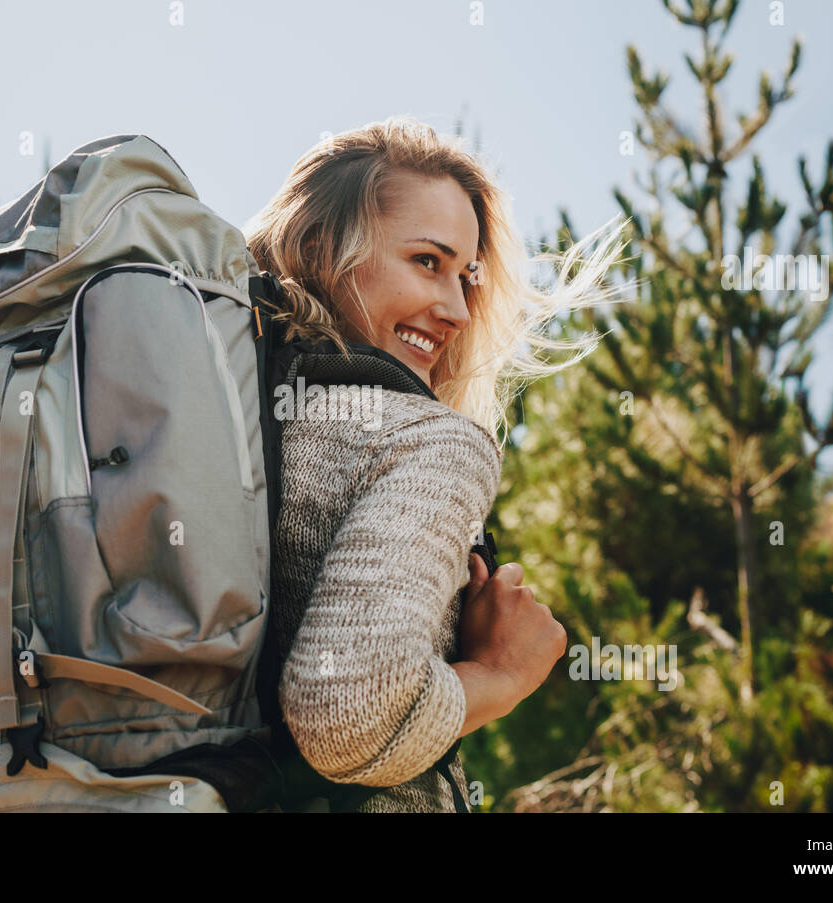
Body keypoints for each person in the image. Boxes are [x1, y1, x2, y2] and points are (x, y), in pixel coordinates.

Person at [243, 116, 627, 812]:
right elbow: (346, 717)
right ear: (320, 249)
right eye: (427, 261)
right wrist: (503, 674)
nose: (454, 309)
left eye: (467, 277)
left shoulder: (243, 417)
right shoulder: (428, 439)